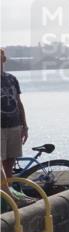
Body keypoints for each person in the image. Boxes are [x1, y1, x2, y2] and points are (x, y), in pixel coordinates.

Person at [1, 48, 29, 186]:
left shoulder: (12, 79)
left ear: (3, 59)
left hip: (14, 125)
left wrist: (25, 126)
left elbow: (18, 103)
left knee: (9, 165)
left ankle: (10, 193)